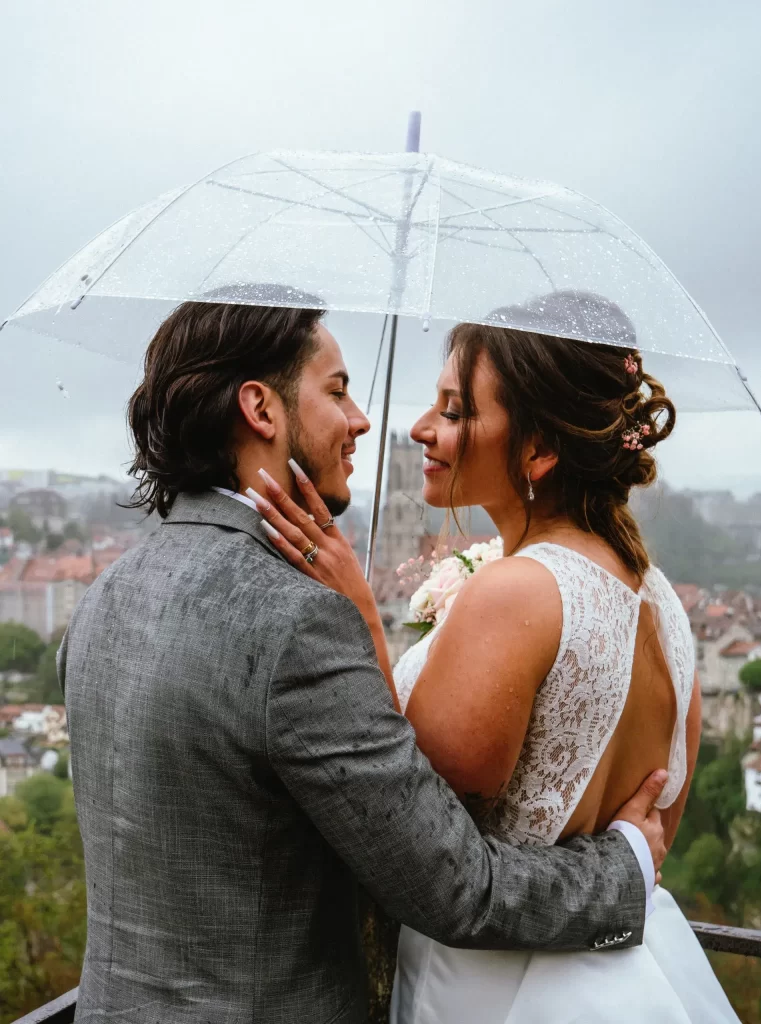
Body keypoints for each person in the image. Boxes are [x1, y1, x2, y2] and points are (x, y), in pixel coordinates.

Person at [59, 297, 667, 1024]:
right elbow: (454, 888)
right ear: (261, 408)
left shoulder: (103, 595)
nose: (363, 420)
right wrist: (625, 866)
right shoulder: (297, 622)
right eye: (337, 390)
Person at [261, 297, 740, 1022]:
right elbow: (655, 836)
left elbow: (404, 819)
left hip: (492, 990)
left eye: (454, 411)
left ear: (538, 450)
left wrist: (360, 614)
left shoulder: (515, 591)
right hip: (629, 977)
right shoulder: (662, 604)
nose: (422, 428)